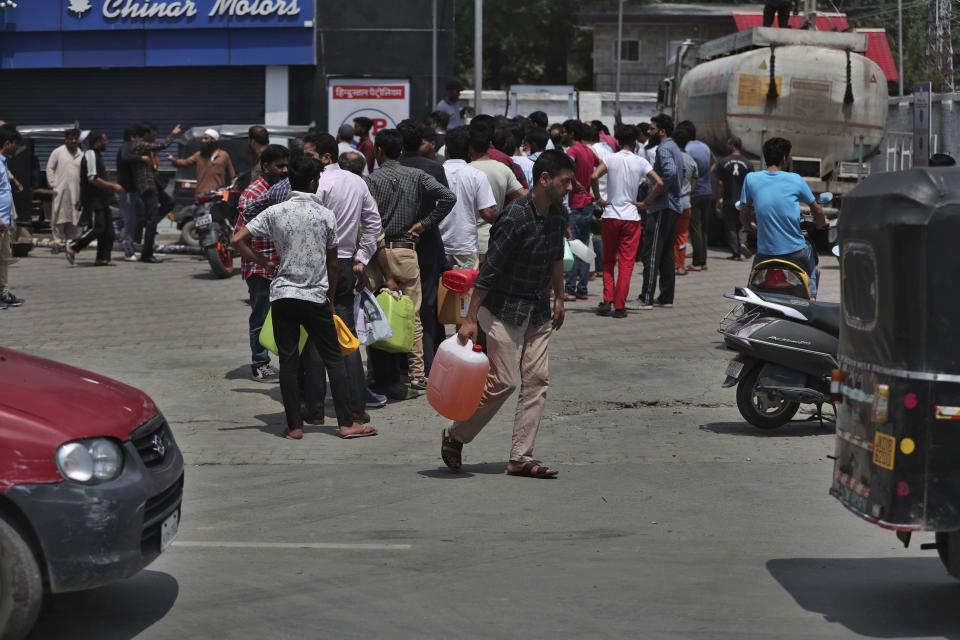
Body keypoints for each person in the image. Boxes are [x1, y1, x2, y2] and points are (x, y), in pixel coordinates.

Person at [439, 150, 572, 478]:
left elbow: (557, 255)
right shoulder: (514, 216)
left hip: (538, 306)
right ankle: (455, 435)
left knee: (538, 380)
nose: (569, 187)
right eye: (565, 181)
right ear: (544, 180)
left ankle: (520, 457)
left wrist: (560, 297)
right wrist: (470, 319)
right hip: (501, 309)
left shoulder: (557, 214)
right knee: (506, 381)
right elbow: (489, 271)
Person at [232, 156, 377, 441]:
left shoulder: (276, 211)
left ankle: (295, 426)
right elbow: (333, 264)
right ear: (313, 183)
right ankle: (347, 424)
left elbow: (237, 240)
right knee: (334, 359)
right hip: (315, 295)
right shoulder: (325, 215)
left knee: (288, 361)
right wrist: (331, 298)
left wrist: (265, 263)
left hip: (283, 295)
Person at [364, 128, 456, 399]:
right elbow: (448, 198)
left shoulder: (371, 181)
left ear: (379, 151)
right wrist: (424, 224)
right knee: (412, 316)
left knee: (375, 315)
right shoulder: (416, 176)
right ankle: (417, 375)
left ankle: (375, 373)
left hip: (377, 255)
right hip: (406, 251)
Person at [312, 133, 383, 422]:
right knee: (346, 334)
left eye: (310, 154)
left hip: (321, 264)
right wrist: (361, 258)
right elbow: (373, 223)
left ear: (325, 157)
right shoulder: (357, 182)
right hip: (344, 264)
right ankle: (357, 405)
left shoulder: (318, 183)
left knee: (318, 334)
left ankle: (315, 409)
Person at [740, 137, 826, 297]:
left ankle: (751, 303)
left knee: (752, 288)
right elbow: (818, 211)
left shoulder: (751, 179)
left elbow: (744, 213)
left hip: (765, 252)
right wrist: (821, 224)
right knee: (811, 253)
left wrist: (747, 227)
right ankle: (811, 295)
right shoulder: (796, 179)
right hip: (795, 253)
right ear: (785, 158)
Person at [398, 120, 451, 380]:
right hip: (427, 242)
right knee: (427, 305)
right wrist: (425, 224)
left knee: (396, 302)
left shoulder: (388, 168)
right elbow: (447, 200)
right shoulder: (433, 168)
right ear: (422, 140)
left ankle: (400, 364)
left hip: (395, 244)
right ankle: (428, 363)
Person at [593, 125, 661, 319]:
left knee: (607, 260)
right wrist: (645, 202)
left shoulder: (609, 158)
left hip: (610, 215)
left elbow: (593, 176)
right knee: (626, 263)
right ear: (635, 142)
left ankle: (607, 299)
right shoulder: (640, 161)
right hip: (631, 217)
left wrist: (599, 197)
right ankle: (620, 306)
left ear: (618, 140)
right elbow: (660, 183)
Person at [236, 144, 290, 383]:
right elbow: (238, 239)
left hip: (280, 265)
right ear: (266, 166)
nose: (284, 170)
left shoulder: (282, 189)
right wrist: (264, 262)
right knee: (260, 316)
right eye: (280, 166)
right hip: (260, 268)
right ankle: (260, 363)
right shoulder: (253, 194)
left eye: (287, 165)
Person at [638, 113, 683, 310]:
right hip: (671, 206)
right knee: (665, 254)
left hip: (662, 206)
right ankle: (666, 297)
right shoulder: (673, 147)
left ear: (662, 131)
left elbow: (670, 173)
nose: (649, 132)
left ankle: (646, 297)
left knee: (652, 252)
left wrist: (652, 196)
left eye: (652, 129)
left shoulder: (664, 148)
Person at [121, 121, 181, 263]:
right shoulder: (139, 144)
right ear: (147, 133)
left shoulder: (143, 146)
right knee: (152, 219)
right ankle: (147, 253)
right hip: (147, 186)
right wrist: (173, 134)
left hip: (153, 185)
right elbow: (162, 145)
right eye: (154, 134)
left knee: (169, 203)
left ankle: (149, 224)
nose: (156, 137)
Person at [440, 127, 496, 267]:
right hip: (466, 246)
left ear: (446, 150)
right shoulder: (477, 175)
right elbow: (486, 213)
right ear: (469, 150)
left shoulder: (435, 173)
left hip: (438, 246)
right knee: (467, 288)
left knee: (437, 288)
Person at [65, 131, 122, 266]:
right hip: (94, 200)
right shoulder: (90, 154)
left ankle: (102, 258)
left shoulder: (97, 155)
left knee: (109, 232)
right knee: (98, 228)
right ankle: (73, 246)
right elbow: (92, 178)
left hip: (102, 199)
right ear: (97, 141)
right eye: (104, 140)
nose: (106, 143)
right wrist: (113, 186)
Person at [468, 127, 526, 260]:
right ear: (490, 146)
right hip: (495, 239)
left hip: (469, 241)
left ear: (470, 148)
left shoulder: (467, 170)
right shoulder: (503, 169)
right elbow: (524, 195)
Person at [562, 119, 602, 301]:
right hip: (587, 203)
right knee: (584, 247)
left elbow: (567, 169)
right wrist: (595, 190)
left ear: (571, 133)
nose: (562, 134)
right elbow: (601, 166)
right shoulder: (588, 151)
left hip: (576, 205)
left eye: (564, 131)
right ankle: (582, 288)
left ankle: (570, 289)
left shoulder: (572, 151)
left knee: (573, 246)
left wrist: (575, 184)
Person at [681, 120, 714, 272]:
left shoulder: (687, 148)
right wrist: (706, 174)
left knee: (695, 228)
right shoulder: (704, 146)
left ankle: (697, 262)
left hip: (694, 192)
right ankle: (704, 260)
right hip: (707, 191)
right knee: (704, 229)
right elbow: (715, 162)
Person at [715, 137, 754, 261]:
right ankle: (742, 242)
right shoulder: (748, 163)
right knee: (742, 224)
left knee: (730, 226)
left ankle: (736, 252)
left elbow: (720, 183)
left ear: (732, 145)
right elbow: (751, 184)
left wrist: (718, 200)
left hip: (729, 199)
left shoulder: (723, 162)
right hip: (743, 200)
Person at [168, 129, 236, 195]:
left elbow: (232, 175)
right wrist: (174, 160)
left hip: (218, 194)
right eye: (202, 138)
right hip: (201, 195)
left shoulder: (224, 155)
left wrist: (233, 190)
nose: (203, 141)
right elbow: (185, 162)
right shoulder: (198, 155)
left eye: (206, 138)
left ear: (213, 140)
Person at [0, 125, 24, 310]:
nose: (15, 148)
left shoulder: (3, 163)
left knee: (3, 259)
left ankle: (3, 293)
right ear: (7, 143)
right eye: (14, 144)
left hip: (4, 222)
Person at [46, 128, 83, 241]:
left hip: (75, 192)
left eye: (75, 138)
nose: (73, 141)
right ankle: (58, 243)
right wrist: (53, 183)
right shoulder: (58, 151)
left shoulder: (81, 154)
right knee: (59, 217)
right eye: (70, 138)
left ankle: (70, 243)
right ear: (65, 139)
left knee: (73, 217)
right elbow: (50, 167)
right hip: (60, 191)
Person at [672, 124, 698, 276]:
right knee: (682, 236)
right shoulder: (691, 161)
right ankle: (680, 266)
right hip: (686, 202)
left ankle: (670, 264)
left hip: (671, 203)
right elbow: (694, 185)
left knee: (669, 234)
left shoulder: (670, 158)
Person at [116, 126, 144, 262]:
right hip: (126, 192)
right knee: (130, 223)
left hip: (133, 191)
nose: (140, 140)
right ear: (132, 137)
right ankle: (128, 252)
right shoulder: (125, 147)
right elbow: (125, 156)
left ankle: (116, 226)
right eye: (138, 137)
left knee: (138, 216)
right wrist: (142, 159)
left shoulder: (129, 147)